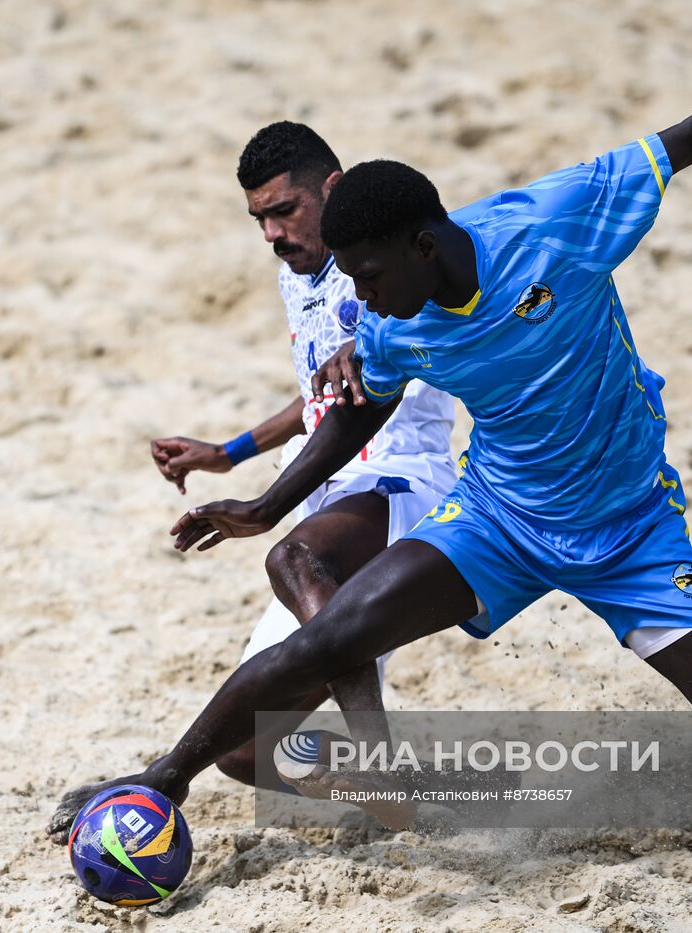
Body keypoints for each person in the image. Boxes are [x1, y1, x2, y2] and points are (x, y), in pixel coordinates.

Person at [48, 24, 692, 837]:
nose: (363, 301)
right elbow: (358, 412)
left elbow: (689, 138)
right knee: (331, 635)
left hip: (631, 530)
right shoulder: (385, 320)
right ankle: (165, 775)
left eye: (372, 276)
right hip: (499, 520)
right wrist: (265, 498)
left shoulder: (551, 225)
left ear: (424, 245)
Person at [147, 123, 458, 794]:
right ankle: (434, 795)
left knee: (292, 556)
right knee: (244, 753)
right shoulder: (298, 275)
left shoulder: (389, 261)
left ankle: (380, 762)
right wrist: (228, 452)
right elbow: (315, 396)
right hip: (329, 491)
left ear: (332, 189)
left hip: (400, 480)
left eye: (283, 210)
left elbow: (445, 331)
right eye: (258, 218)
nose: (271, 233)